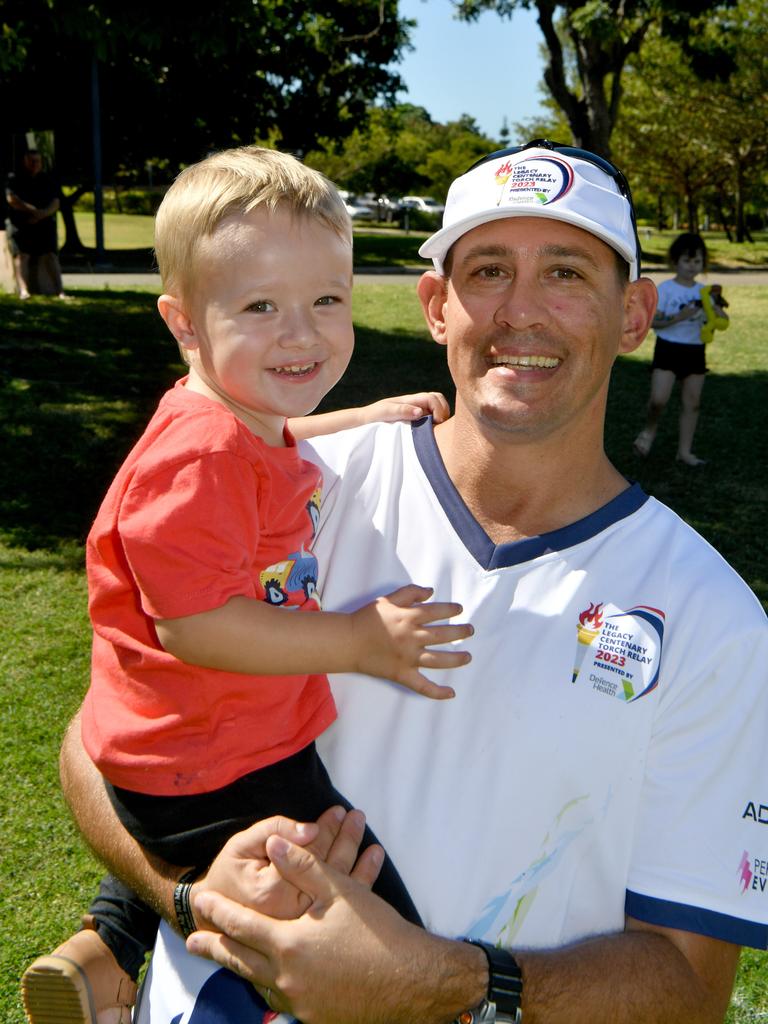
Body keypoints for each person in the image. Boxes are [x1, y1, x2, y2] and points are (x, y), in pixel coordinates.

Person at [57, 140, 767, 1024]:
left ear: (634, 315)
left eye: (566, 274)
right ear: (436, 305)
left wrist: (446, 983)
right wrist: (193, 903)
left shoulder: (713, 620)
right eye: (487, 270)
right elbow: (98, 743)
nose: (521, 312)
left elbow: (690, 987)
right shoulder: (285, 476)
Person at [20, 145, 475, 1024]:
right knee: (374, 925)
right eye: (260, 305)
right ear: (185, 323)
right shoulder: (193, 460)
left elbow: (275, 432)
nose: (301, 333)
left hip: (193, 741)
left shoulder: (231, 419)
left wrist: (365, 415)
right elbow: (195, 626)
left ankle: (108, 959)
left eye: (326, 301)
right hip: (214, 763)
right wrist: (361, 641)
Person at [632, 232, 728, 466]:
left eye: (697, 261)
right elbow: (654, 322)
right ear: (676, 262)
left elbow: (722, 319)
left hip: (695, 351)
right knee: (658, 399)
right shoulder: (665, 290)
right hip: (668, 349)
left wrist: (716, 311)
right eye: (687, 260)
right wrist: (679, 317)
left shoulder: (704, 292)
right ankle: (649, 431)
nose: (691, 266)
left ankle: (684, 452)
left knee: (692, 402)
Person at [5, 149, 66, 299]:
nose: (35, 164)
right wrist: (32, 210)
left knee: (51, 256)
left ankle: (60, 291)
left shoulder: (47, 179)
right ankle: (24, 291)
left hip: (44, 225)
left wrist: (42, 214)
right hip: (21, 225)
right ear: (25, 162)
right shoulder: (14, 179)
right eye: (31, 161)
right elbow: (12, 199)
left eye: (37, 161)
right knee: (21, 256)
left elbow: (56, 202)